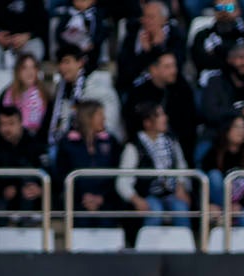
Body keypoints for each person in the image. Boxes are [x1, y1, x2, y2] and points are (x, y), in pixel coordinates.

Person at [117, 102, 191, 228]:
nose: (165, 118)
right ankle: (149, 246)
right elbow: (122, 182)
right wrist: (136, 200)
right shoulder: (133, 147)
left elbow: (181, 167)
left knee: (180, 208)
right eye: (159, 115)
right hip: (146, 194)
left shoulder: (171, 141)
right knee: (155, 210)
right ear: (147, 122)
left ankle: (183, 246)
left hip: (171, 193)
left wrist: (181, 186)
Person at [54, 98, 123, 226]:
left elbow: (116, 172)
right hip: (77, 201)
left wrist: (101, 197)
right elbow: (61, 174)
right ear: (88, 117)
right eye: (100, 115)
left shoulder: (111, 142)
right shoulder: (68, 143)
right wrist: (82, 197)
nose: (104, 119)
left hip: (106, 200)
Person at [44, 43, 119, 155]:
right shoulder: (62, 89)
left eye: (67, 62)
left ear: (80, 62)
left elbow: (110, 123)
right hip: (72, 146)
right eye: (60, 63)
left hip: (99, 148)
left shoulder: (98, 86)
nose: (62, 68)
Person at [195, 37, 244, 155]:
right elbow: (210, 113)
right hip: (214, 141)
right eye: (240, 58)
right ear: (230, 59)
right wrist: (243, 112)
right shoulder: (214, 83)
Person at [122, 50, 196, 157]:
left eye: (174, 65)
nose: (174, 70)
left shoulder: (183, 91)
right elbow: (132, 125)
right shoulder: (138, 94)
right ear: (153, 70)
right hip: (145, 152)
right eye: (167, 67)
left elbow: (189, 126)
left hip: (177, 149)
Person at [115, 0, 183, 95]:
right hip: (134, 85)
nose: (146, 21)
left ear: (164, 20)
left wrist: (157, 48)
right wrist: (145, 54)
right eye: (144, 16)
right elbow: (124, 68)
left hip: (166, 87)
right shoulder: (133, 32)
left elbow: (175, 66)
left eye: (151, 17)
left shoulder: (175, 35)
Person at [199, 113, 244, 227]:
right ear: (227, 129)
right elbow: (200, 183)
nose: (241, 131)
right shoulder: (213, 153)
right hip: (218, 205)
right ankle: (225, 211)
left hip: (241, 205)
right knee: (214, 175)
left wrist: (241, 205)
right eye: (236, 127)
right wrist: (208, 204)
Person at [189, 0, 244, 81]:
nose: (223, 11)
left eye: (229, 8)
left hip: (241, 83)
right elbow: (200, 62)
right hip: (209, 84)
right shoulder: (202, 35)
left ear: (238, 11)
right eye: (219, 8)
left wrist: (216, 51)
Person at [0, 0, 48, 68]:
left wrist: (28, 36)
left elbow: (42, 23)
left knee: (35, 49)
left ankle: (23, 79)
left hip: (25, 40)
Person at [0, 51, 48, 133]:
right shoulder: (6, 94)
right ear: (18, 71)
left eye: (33, 67)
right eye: (25, 68)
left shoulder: (44, 94)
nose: (30, 72)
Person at [50, 0, 107, 69]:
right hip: (70, 50)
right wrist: (71, 46)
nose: (81, 3)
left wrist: (92, 44)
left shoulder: (96, 14)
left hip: (91, 51)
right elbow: (59, 34)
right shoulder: (67, 14)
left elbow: (101, 33)